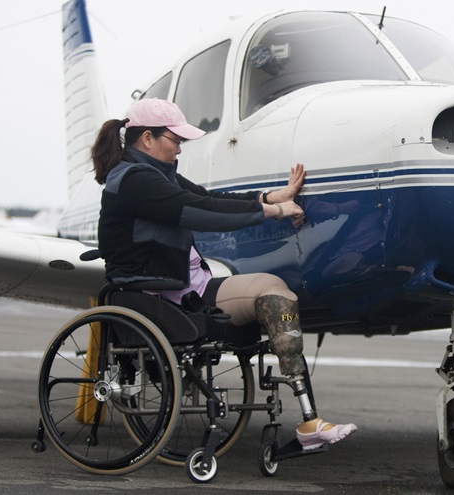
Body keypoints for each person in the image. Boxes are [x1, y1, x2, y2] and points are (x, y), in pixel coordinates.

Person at [90, 97, 356, 450]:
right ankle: (308, 421)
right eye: (176, 140)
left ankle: (309, 421)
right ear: (148, 138)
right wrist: (273, 212)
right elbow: (202, 214)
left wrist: (273, 195)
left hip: (189, 290)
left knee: (276, 292)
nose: (180, 150)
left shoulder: (157, 176)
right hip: (157, 294)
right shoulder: (136, 181)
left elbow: (212, 199)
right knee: (271, 292)